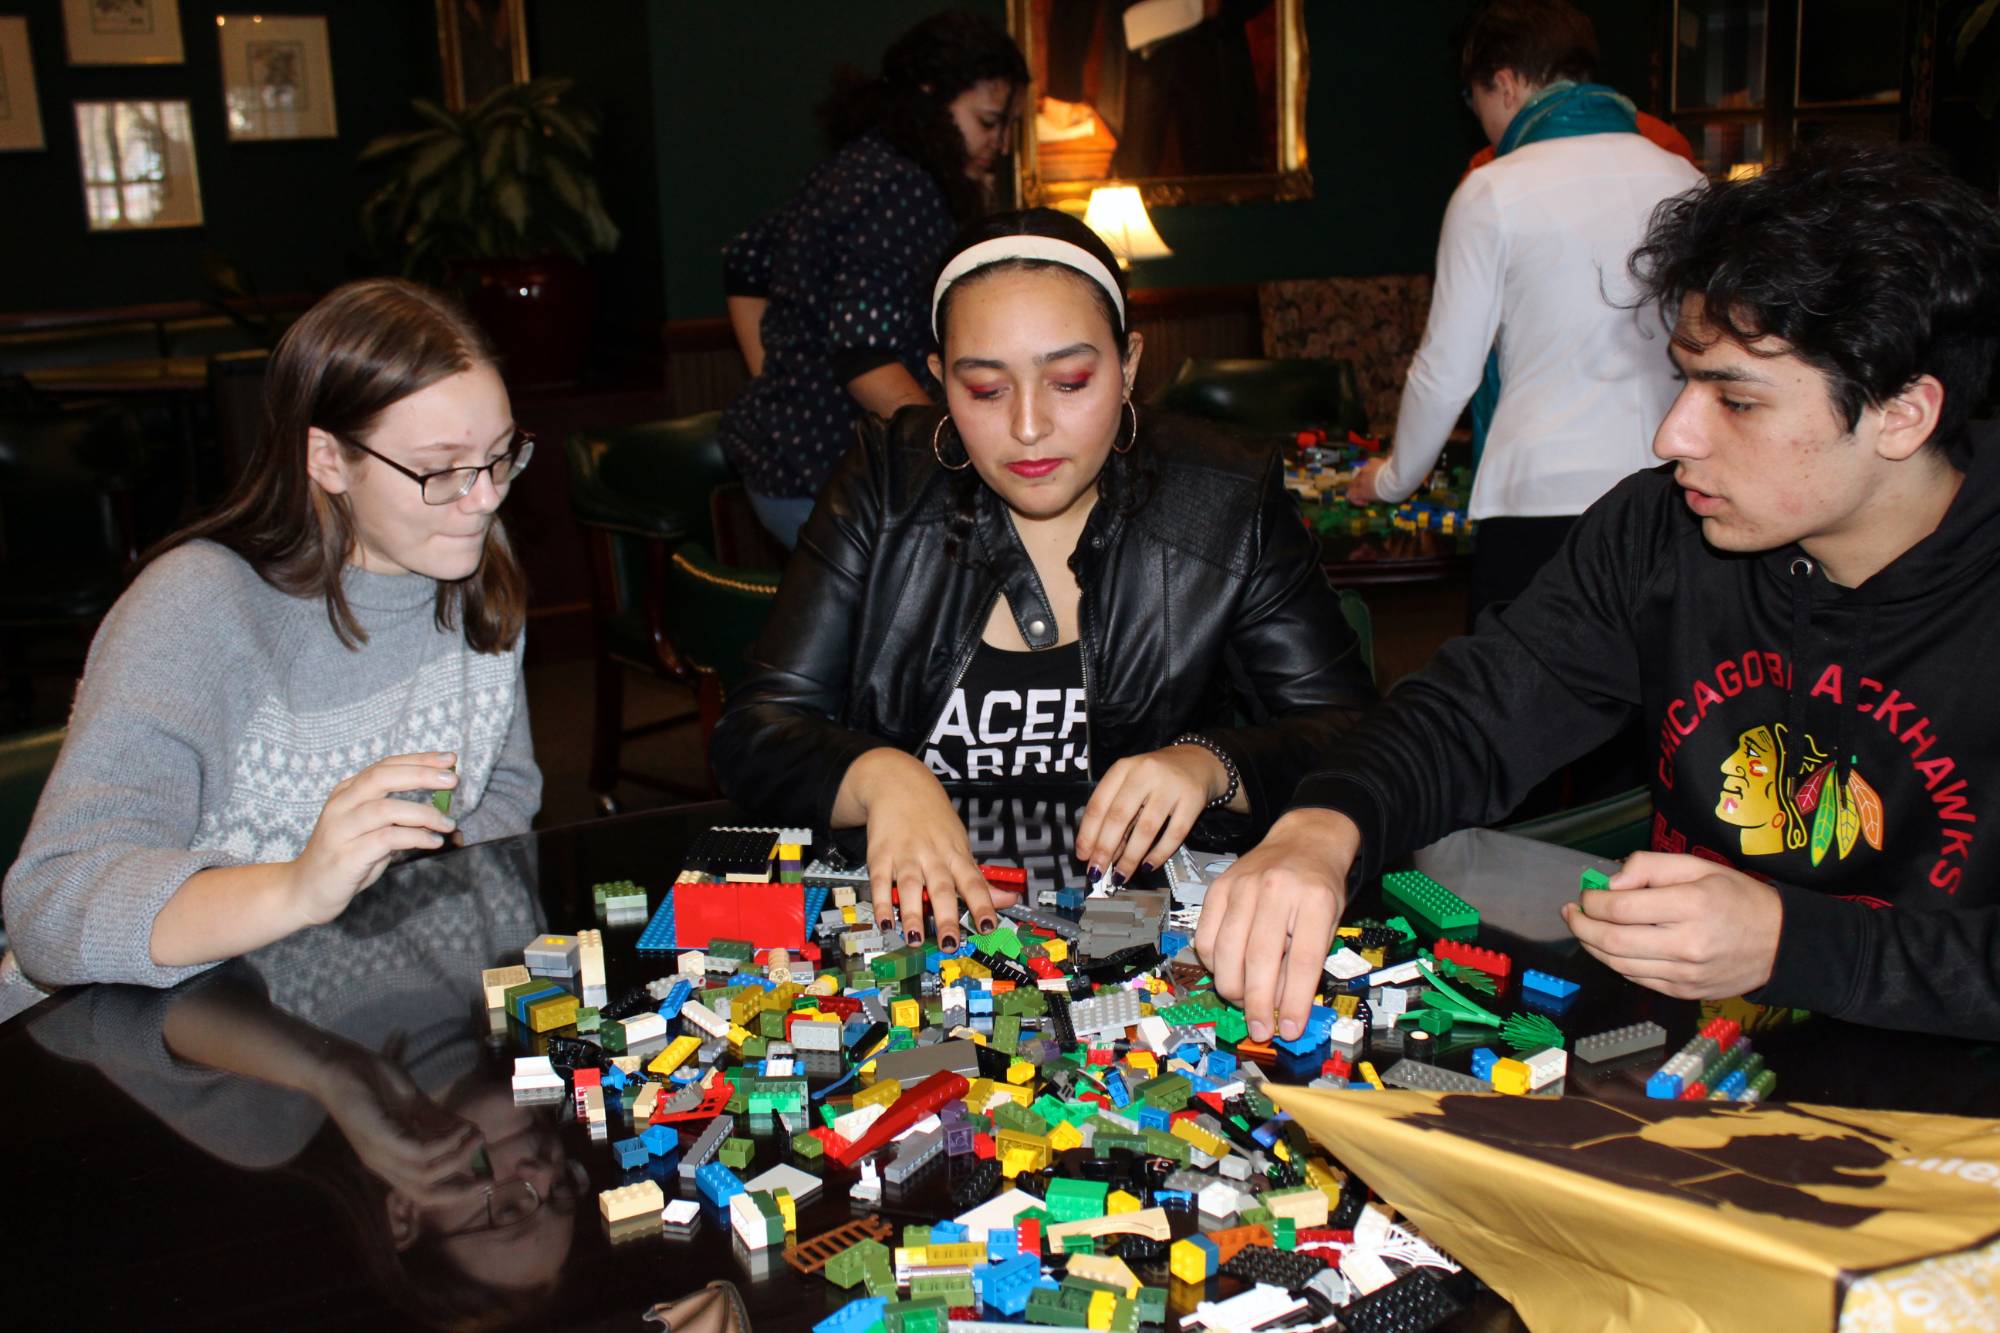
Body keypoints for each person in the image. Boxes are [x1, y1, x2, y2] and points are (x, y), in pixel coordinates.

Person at [1199, 139, 2000, 1044]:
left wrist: (1800, 943)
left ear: (1902, 414)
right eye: (1683, 380)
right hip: (1689, 1065)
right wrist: (1323, 822)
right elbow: (1471, 714)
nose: (1671, 434)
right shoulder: (1656, 532)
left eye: (1735, 401)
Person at [712, 209, 1375, 949]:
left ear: (1128, 366)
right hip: (915, 941)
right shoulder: (885, 484)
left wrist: (1207, 764)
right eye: (986, 390)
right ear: (938, 382)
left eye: (1069, 381)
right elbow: (754, 732)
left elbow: (1353, 735)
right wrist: (880, 775)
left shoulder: (1223, 497)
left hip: (1148, 945)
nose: (1028, 426)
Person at [2, 278, 543, 990]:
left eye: (503, 454)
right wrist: (298, 888)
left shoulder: (473, 550)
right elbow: (50, 908)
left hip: (352, 1017)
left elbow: (504, 788)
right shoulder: (194, 607)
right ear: (326, 459)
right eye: (439, 470)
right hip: (149, 1042)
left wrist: (403, 897)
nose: (485, 496)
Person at [1348, 0, 1705, 626]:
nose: (1482, 119)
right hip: (1666, 491)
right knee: (1652, 701)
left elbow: (1446, 371)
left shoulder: (1492, 190)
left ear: (1505, 82)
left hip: (1539, 501)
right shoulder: (1684, 177)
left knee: (1515, 707)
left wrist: (1392, 479)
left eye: (1475, 97)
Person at [720, 10, 1029, 549]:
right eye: (988, 122)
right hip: (824, 478)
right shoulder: (901, 187)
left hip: (781, 467)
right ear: (931, 98)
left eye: (1007, 127)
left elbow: (745, 259)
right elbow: (865, 357)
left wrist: (776, 383)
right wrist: (958, 455)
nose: (1000, 145)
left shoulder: (858, 164)